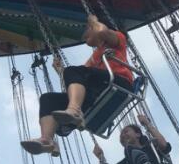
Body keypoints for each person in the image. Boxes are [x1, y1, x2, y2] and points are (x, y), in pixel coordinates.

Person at [20, 14, 134, 156]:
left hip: (118, 82)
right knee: (47, 98)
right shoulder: (94, 57)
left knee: (73, 71)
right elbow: (78, 78)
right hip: (98, 90)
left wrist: (93, 20)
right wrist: (61, 71)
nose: (85, 35)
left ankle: (74, 110)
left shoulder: (117, 39)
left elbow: (101, 32)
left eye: (87, 29)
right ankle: (47, 140)